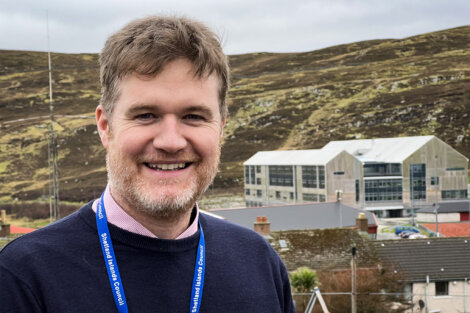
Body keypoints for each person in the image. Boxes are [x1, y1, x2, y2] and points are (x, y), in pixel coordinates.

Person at [0, 16, 296, 313]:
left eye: (194, 116)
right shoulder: (23, 276)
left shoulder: (260, 262)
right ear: (105, 126)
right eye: (145, 115)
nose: (171, 141)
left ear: (221, 128)